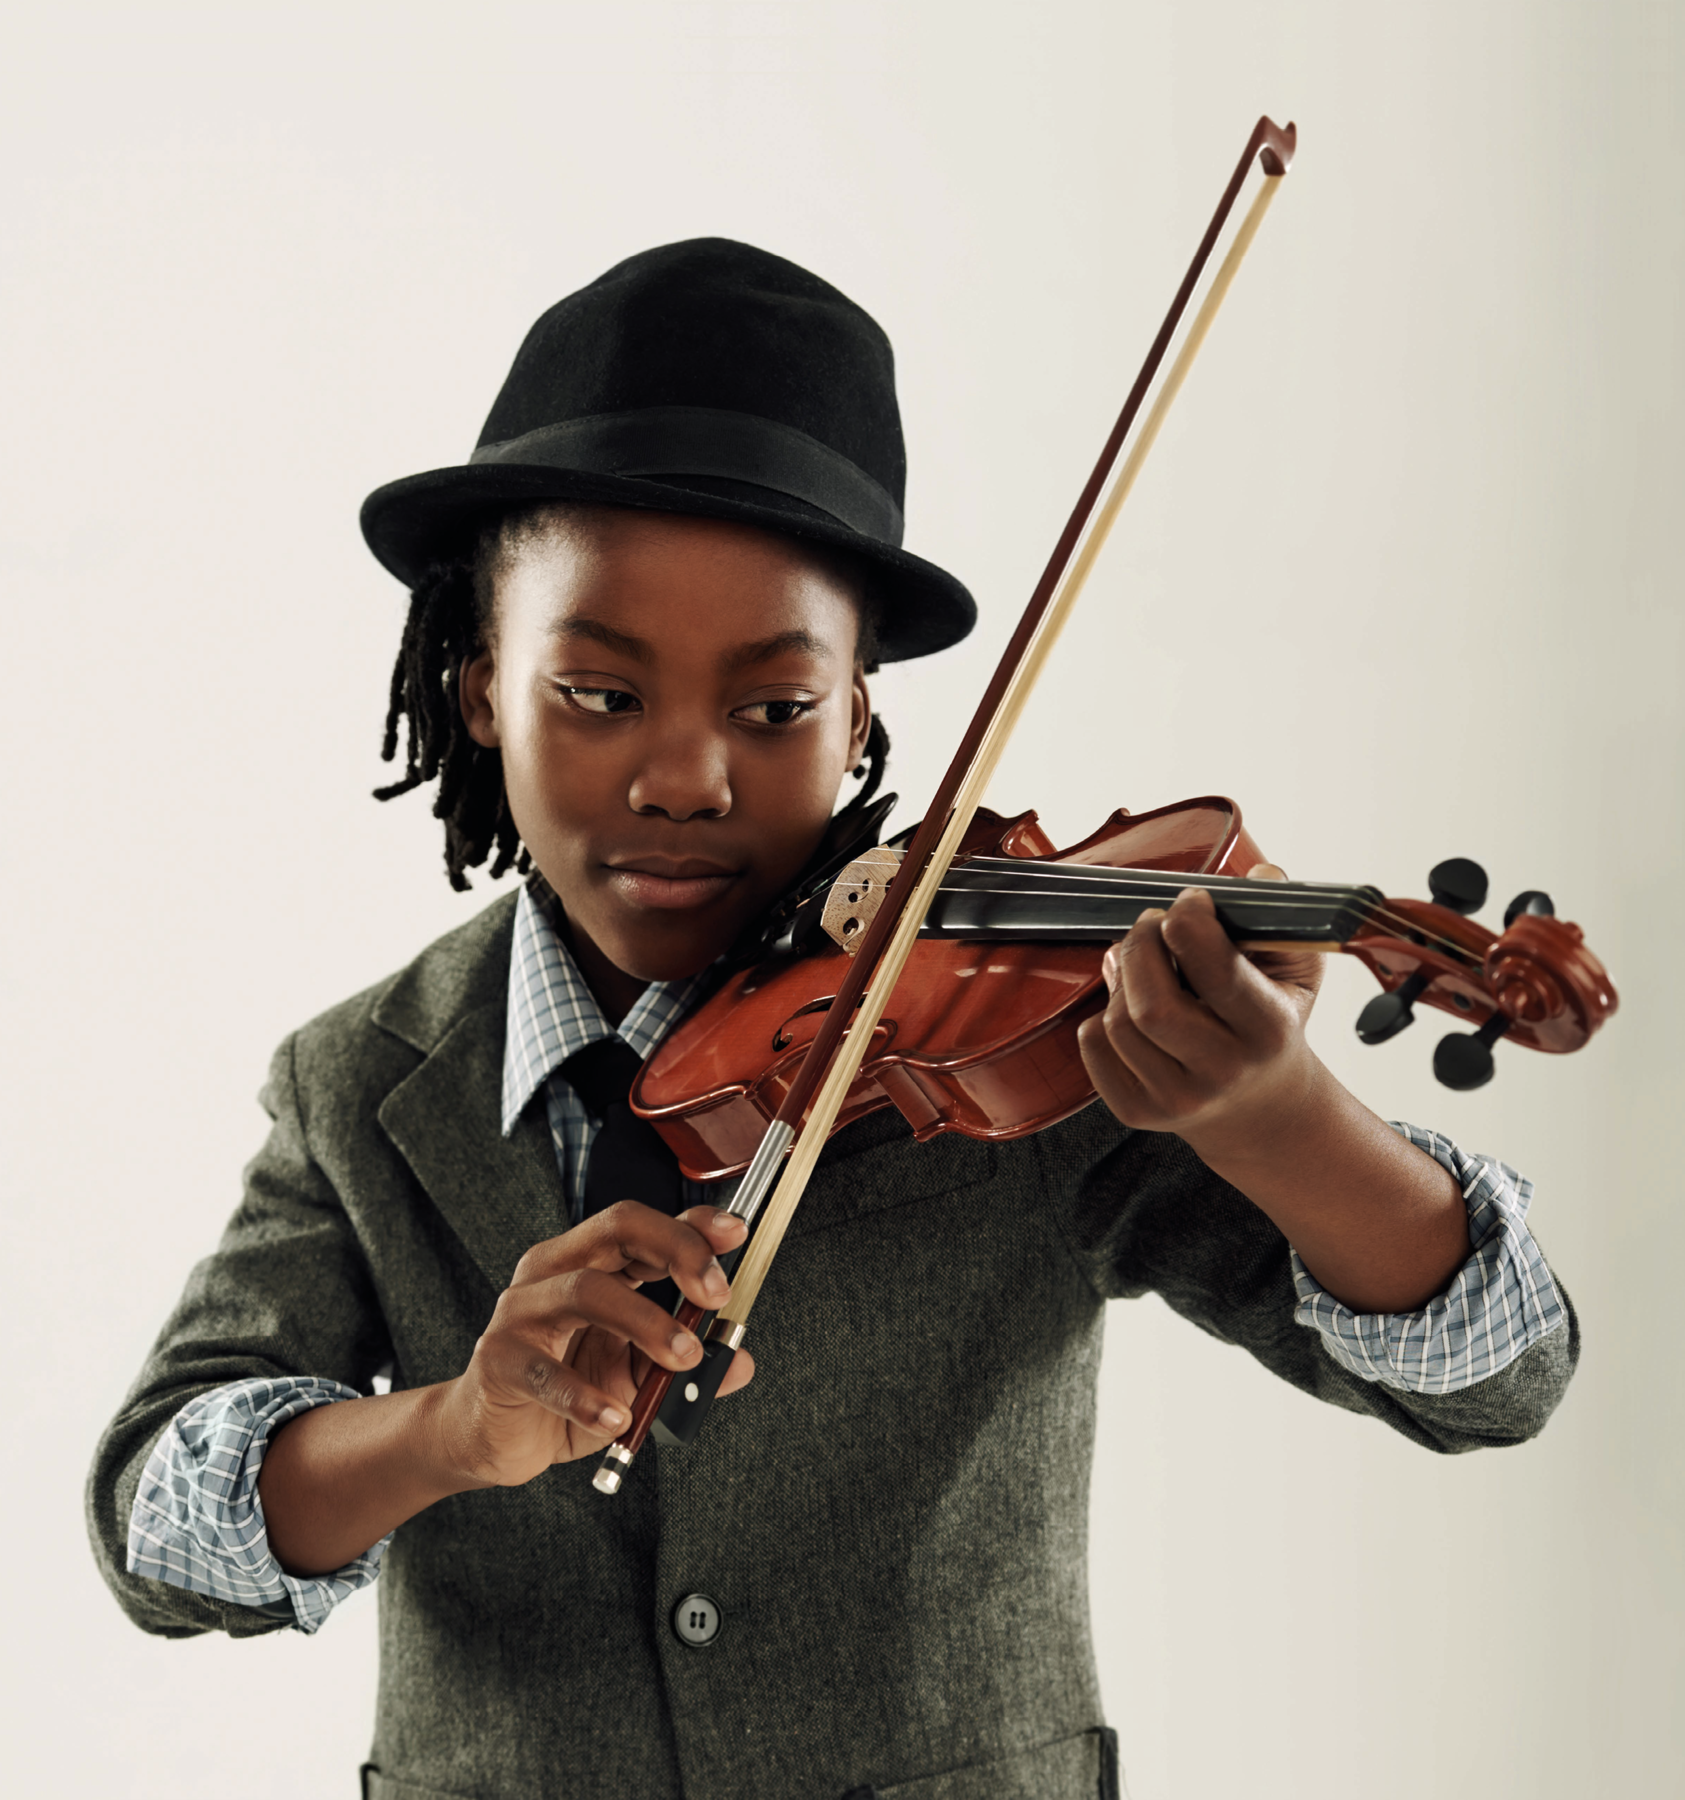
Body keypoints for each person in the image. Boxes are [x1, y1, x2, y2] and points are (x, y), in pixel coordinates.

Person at [89, 239, 1576, 1800]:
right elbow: (157, 1526)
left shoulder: (1027, 1042)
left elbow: (1492, 1379)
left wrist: (1280, 1119)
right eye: (597, 693)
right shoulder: (358, 1082)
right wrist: (450, 1431)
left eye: (774, 708)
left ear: (863, 712)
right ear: (477, 692)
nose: (684, 778)